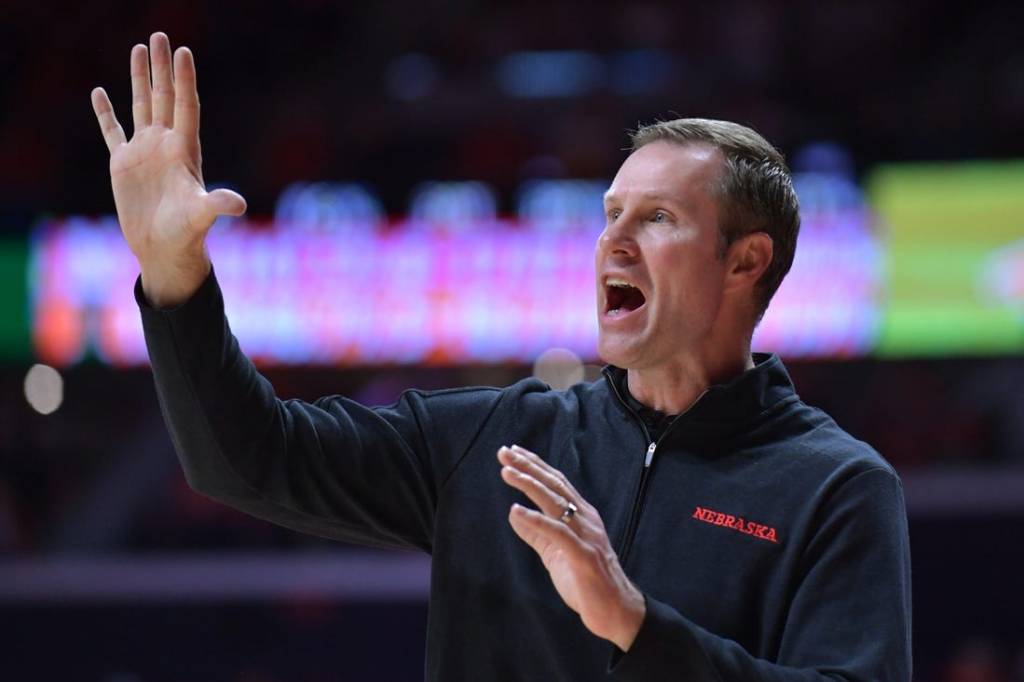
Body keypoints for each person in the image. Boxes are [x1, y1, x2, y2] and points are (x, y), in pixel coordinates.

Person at [91, 32, 912, 681]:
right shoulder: (492, 441)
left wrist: (634, 625)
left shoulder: (835, 488)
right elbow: (245, 460)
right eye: (609, 212)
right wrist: (174, 276)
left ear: (746, 261)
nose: (611, 242)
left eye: (656, 218)